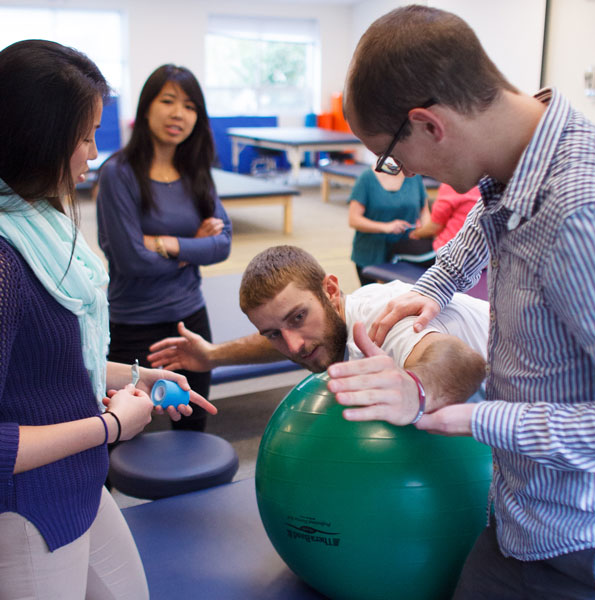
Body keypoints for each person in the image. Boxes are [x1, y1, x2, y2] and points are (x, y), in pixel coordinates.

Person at [337, 5, 595, 599]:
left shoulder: (581, 211)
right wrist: (430, 288)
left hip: (579, 544)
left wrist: (479, 418)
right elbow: (485, 226)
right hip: (516, 518)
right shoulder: (519, 157)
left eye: (391, 159)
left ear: (429, 125)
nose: (404, 175)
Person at [0, 40, 217, 599]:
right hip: (29, 509)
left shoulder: (41, 221)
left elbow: (53, 363)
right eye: (83, 136)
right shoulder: (6, 261)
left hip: (81, 479)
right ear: (36, 136)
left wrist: (138, 377)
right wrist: (112, 427)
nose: (91, 154)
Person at [148, 245, 489, 421]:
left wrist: (413, 391)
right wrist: (212, 355)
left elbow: (462, 362)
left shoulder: (381, 322)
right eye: (274, 333)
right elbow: (290, 339)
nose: (293, 345)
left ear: (330, 290)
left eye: (298, 316)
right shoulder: (325, 326)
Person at [96, 64, 232, 432]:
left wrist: (166, 243)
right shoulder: (118, 174)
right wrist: (194, 248)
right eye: (168, 101)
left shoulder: (197, 170)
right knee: (116, 433)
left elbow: (222, 245)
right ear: (145, 108)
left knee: (192, 419)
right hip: (132, 325)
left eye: (189, 106)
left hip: (188, 321)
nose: (178, 114)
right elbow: (131, 261)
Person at [348, 163, 432, 285]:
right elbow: (354, 219)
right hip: (371, 252)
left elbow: (424, 212)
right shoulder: (366, 178)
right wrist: (386, 227)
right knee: (373, 300)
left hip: (406, 252)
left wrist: (424, 232)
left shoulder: (414, 177)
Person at [409, 183, 479, 253]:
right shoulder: (482, 185)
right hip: (476, 248)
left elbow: (434, 227)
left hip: (449, 249)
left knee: (402, 247)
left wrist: (415, 233)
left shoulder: (452, 186)